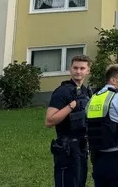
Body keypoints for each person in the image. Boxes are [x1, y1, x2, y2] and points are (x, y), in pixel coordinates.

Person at [44, 55, 93, 187]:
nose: (78, 71)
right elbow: (49, 121)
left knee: (79, 182)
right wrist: (71, 106)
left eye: (82, 68)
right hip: (67, 148)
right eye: (75, 68)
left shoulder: (86, 92)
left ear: (88, 71)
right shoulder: (62, 92)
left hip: (82, 147)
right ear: (70, 69)